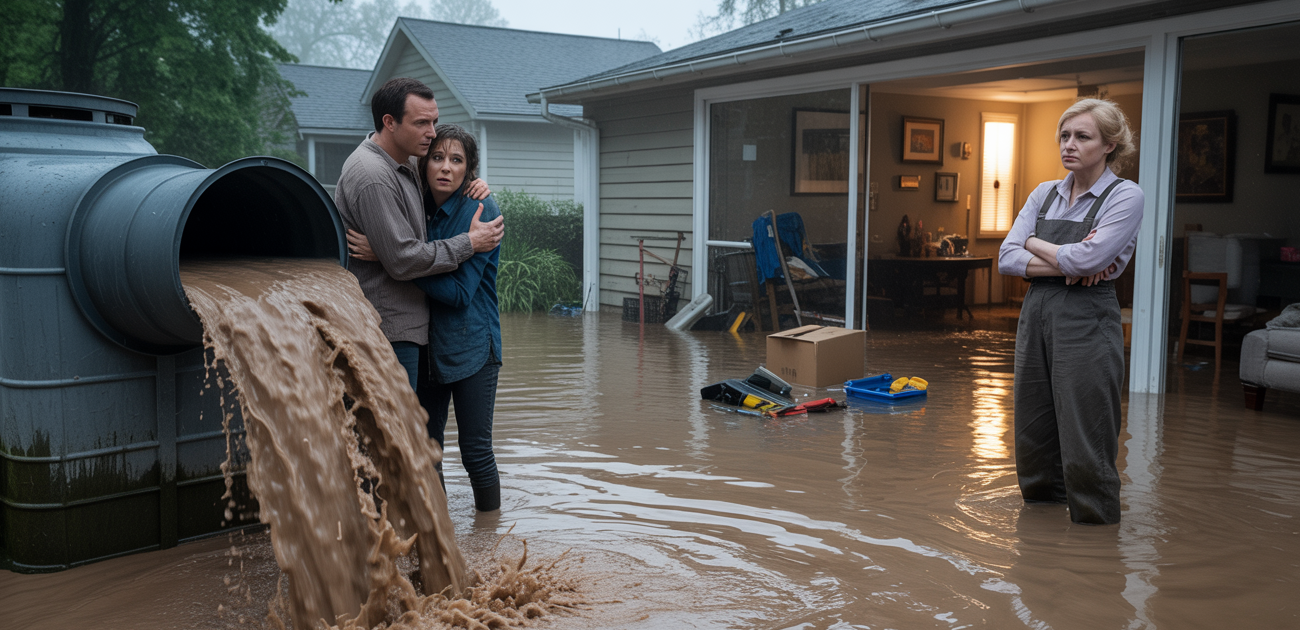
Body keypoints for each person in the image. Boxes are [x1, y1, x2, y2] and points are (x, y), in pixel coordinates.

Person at [997, 98, 1144, 525]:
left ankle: (1095, 545)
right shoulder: (1044, 193)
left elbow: (1087, 262)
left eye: (1082, 136)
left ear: (1110, 144)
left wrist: (1034, 243)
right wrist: (1067, 259)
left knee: (1086, 434)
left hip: (1087, 319)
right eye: (1064, 136)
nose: (1069, 145)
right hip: (1036, 314)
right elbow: (1006, 257)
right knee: (1033, 434)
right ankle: (1040, 542)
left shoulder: (1126, 195)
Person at [351, 124, 502, 512]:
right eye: (437, 157)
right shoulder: (416, 204)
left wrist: (391, 260)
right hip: (427, 349)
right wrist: (396, 255)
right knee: (427, 449)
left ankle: (490, 533)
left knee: (475, 452)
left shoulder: (481, 209)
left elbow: (459, 293)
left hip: (472, 348)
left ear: (469, 171)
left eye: (457, 160)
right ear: (422, 163)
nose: (445, 168)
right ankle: (442, 537)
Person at [335, 77, 503, 390]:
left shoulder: (406, 161)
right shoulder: (373, 175)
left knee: (408, 437)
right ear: (390, 122)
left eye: (434, 121)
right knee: (392, 437)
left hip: (411, 330)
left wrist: (475, 183)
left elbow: (446, 172)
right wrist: (470, 242)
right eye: (422, 123)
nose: (432, 132)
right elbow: (402, 260)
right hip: (386, 330)